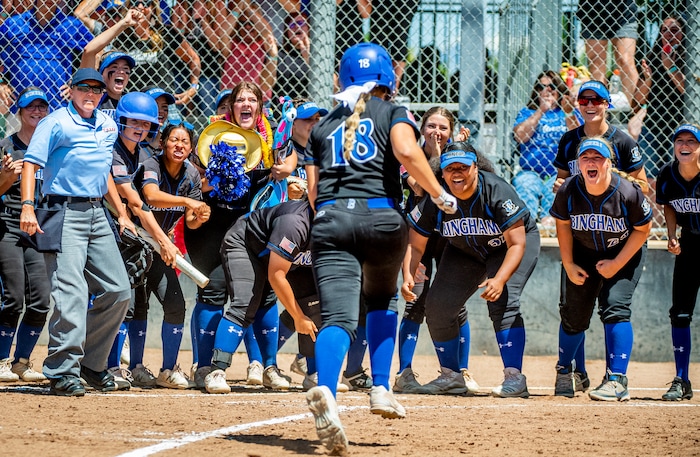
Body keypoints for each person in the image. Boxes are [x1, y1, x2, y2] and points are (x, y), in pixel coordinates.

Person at [304, 42, 457, 455]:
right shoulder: (393, 112)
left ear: (343, 79)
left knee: (337, 317)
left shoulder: (321, 126)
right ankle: (380, 389)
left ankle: (327, 393)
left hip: (331, 221)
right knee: (381, 303)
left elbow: (315, 191)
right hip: (381, 219)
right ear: (388, 78)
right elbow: (408, 151)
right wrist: (438, 192)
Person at [19, 68, 134, 396]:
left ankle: (92, 364)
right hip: (62, 210)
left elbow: (104, 171)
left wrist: (122, 213)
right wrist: (28, 206)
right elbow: (31, 164)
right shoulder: (55, 122)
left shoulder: (108, 124)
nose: (91, 94)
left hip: (98, 212)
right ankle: (61, 370)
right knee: (70, 292)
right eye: (84, 88)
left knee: (118, 291)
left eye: (97, 90)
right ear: (71, 90)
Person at [402, 142, 539, 398]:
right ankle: (451, 376)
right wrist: (408, 273)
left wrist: (499, 278)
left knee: (503, 299)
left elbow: (517, 243)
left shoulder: (496, 190)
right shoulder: (437, 196)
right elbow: (416, 243)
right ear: (441, 172)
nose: (457, 173)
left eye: (463, 167)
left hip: (509, 247)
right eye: (450, 168)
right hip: (465, 249)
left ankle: (514, 378)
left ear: (475, 168)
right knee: (438, 306)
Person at [186, 80, 297, 388]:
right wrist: (213, 179)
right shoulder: (212, 136)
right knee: (213, 291)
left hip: (254, 225)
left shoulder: (270, 137)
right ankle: (205, 367)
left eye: (252, 100)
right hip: (213, 223)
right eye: (240, 100)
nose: (246, 104)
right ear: (231, 107)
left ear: (259, 107)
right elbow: (194, 181)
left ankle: (269, 367)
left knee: (264, 296)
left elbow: (290, 158)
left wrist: (286, 169)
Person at [550, 137, 651, 401]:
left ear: (609, 163)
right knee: (574, 313)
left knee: (615, 305)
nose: (591, 162)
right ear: (579, 164)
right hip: (582, 253)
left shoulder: (627, 192)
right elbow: (562, 225)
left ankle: (617, 379)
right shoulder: (569, 190)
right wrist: (568, 263)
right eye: (585, 158)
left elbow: (643, 230)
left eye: (598, 158)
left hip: (623, 253)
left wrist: (617, 264)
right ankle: (565, 372)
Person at [107, 92, 186, 389]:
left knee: (156, 302)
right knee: (122, 303)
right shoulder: (113, 151)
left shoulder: (143, 157)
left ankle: (142, 367)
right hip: (110, 234)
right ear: (122, 121)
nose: (140, 128)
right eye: (134, 122)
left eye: (146, 123)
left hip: (139, 240)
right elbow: (138, 204)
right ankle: (111, 366)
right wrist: (164, 243)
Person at [394, 106, 475, 395]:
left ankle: (460, 371)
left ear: (451, 131)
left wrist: (460, 149)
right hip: (420, 237)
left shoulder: (458, 156)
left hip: (451, 236)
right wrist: (442, 155)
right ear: (422, 129)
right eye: (431, 126)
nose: (436, 133)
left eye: (443, 128)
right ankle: (404, 372)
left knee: (456, 304)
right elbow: (419, 187)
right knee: (416, 301)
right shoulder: (410, 154)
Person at [203, 199, 317, 394]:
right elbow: (276, 275)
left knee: (314, 303)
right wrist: (298, 317)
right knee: (245, 303)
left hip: (285, 257)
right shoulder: (294, 222)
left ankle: (305, 372)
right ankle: (217, 371)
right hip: (246, 243)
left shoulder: (339, 224)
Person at [139, 121, 210, 388]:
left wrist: (199, 215)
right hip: (136, 242)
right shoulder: (151, 165)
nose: (179, 145)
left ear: (191, 148)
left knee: (176, 304)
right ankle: (130, 367)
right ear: (162, 142)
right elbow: (152, 196)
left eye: (185, 142)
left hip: (163, 248)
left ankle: (168, 370)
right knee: (134, 305)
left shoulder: (191, 174)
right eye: (173, 140)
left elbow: (190, 220)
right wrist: (187, 202)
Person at [0, 88, 50, 383]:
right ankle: (2, 360)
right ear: (19, 112)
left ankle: (22, 361)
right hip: (8, 226)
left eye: (42, 107)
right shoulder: (7, 146)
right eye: (31, 107)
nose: (37, 112)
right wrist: (8, 176)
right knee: (14, 298)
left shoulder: (50, 148)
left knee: (41, 299)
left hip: (40, 230)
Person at [655, 123, 700, 401]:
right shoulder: (667, 175)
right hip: (690, 248)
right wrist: (672, 236)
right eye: (680, 140)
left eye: (692, 141)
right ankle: (681, 379)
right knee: (681, 313)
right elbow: (669, 204)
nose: (685, 145)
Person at [0, 0, 93, 109]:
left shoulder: (70, 25)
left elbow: (95, 51)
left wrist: (79, 82)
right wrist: (1, 82)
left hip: (57, 104)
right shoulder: (15, 23)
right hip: (20, 104)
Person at [512, 71, 576, 223]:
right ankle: (529, 225)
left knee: (558, 189)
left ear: (559, 89)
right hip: (530, 171)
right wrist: (541, 110)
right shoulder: (528, 112)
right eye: (542, 87)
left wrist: (569, 113)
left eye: (552, 86)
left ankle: (549, 224)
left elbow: (578, 139)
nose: (547, 91)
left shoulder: (565, 114)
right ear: (537, 90)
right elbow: (520, 137)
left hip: (558, 172)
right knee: (524, 184)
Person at [635, 16, 686, 177]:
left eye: (675, 30)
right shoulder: (651, 59)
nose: (670, 34)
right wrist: (648, 79)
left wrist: (670, 67)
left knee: (677, 177)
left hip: (680, 127)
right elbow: (637, 101)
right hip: (653, 126)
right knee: (648, 177)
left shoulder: (690, 59)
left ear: (684, 34)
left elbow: (688, 90)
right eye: (665, 30)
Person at [202, 1, 278, 100]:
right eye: (243, 23)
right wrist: (239, 8)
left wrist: (248, 9)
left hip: (258, 97)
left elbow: (267, 32)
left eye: (251, 23)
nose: (247, 27)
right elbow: (223, 32)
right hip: (232, 97)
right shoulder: (233, 45)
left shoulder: (262, 44)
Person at [576, 0, 639, 109]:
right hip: (591, 10)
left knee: (625, 60)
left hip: (624, 11)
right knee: (596, 62)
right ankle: (601, 113)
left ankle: (638, 113)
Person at [272, 11, 311, 102]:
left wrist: (308, 57)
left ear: (309, 28)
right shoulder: (279, 53)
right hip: (282, 108)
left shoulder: (317, 54)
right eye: (292, 25)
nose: (297, 27)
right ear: (287, 32)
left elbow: (333, 83)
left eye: (301, 23)